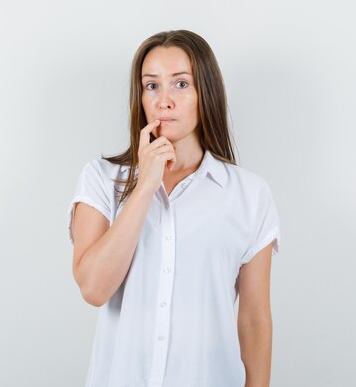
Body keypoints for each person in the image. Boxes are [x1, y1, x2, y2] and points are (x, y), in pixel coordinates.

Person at [67, 29, 281, 387]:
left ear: (205, 93)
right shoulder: (102, 180)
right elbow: (94, 288)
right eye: (152, 86)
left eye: (181, 84)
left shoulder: (249, 195)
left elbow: (254, 320)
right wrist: (145, 186)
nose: (164, 100)